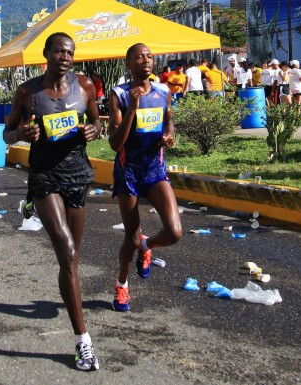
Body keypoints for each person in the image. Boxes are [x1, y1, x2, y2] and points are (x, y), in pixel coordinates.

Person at [3, 32, 101, 371]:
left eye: (70, 52)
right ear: (46, 54)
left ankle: (32, 206)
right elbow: (7, 132)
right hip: (44, 175)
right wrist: (22, 134)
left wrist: (93, 130)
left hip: (77, 175)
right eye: (59, 51)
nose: (65, 57)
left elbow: (96, 121)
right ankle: (83, 341)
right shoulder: (28, 92)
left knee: (71, 260)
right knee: (67, 251)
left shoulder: (85, 84)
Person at [108, 43, 182, 313]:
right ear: (129, 63)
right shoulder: (119, 95)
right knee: (130, 235)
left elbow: (168, 120)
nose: (146, 60)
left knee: (175, 232)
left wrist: (169, 134)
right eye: (139, 57)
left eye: (149, 56)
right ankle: (122, 285)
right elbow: (115, 144)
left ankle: (148, 246)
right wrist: (133, 107)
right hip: (128, 172)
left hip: (155, 169)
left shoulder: (163, 91)